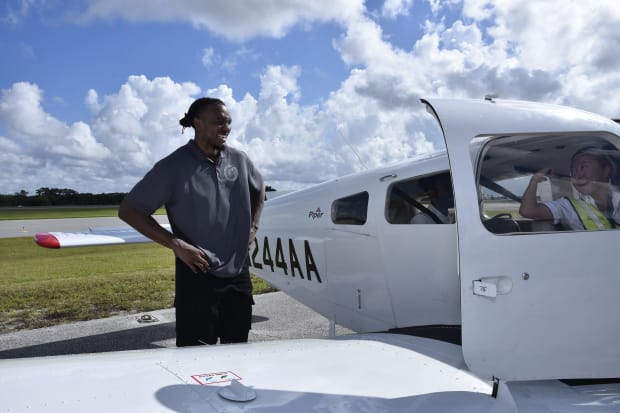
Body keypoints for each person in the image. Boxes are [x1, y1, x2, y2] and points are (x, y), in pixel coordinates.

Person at [118, 97, 265, 346]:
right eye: (219, 121)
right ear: (197, 123)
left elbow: (259, 190)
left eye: (228, 122)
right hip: (198, 273)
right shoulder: (173, 166)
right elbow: (129, 210)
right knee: (196, 358)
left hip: (238, 273)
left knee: (239, 352)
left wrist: (254, 225)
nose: (226, 127)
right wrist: (176, 244)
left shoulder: (239, 160)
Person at [519, 146, 620, 230]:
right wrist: (535, 180)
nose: (578, 175)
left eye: (583, 167)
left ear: (606, 171)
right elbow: (528, 211)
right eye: (573, 170)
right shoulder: (568, 206)